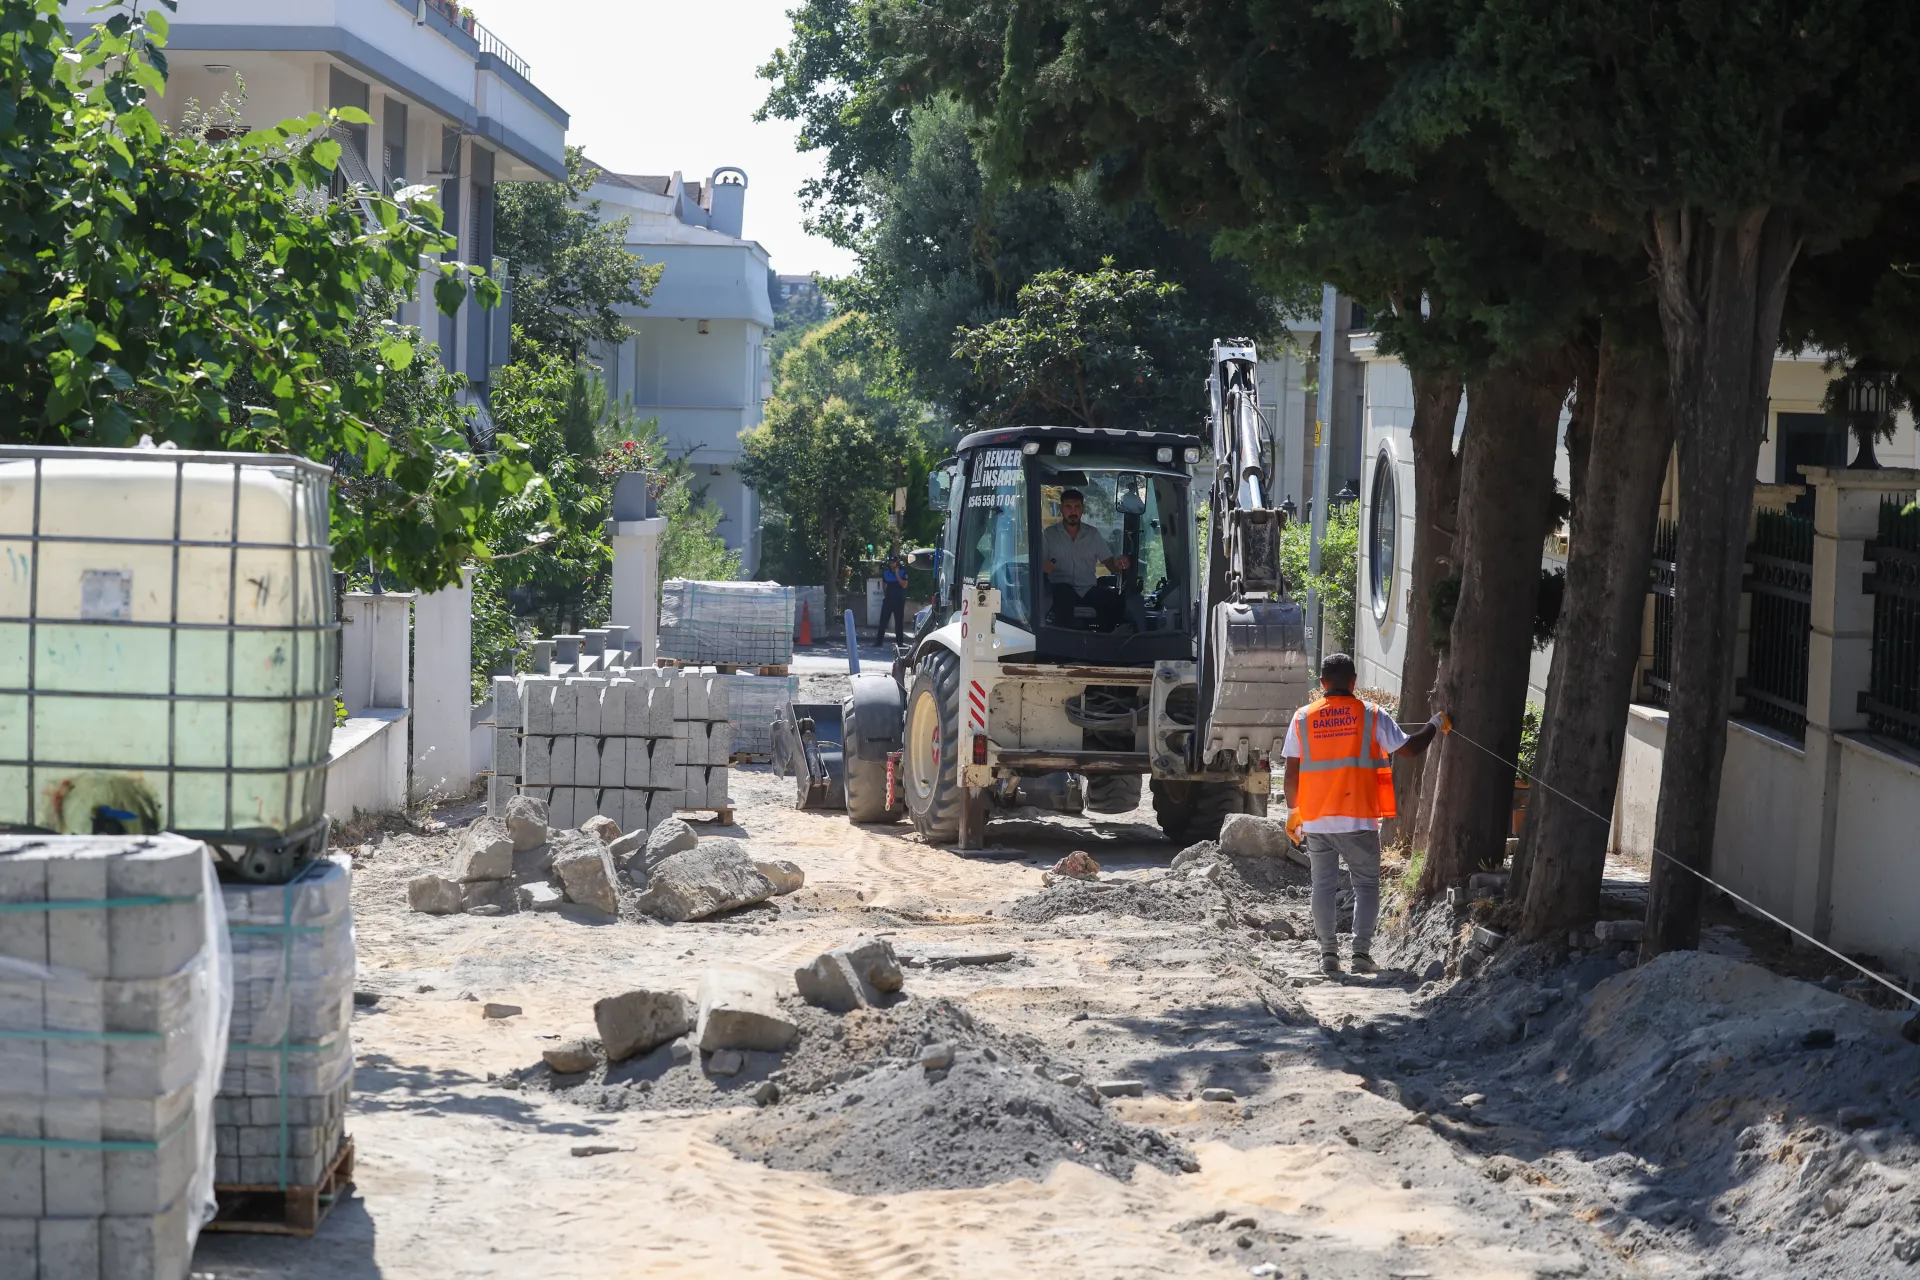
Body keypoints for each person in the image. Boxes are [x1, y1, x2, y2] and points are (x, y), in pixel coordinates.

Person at [1281, 653, 1448, 976]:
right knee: (1367, 886)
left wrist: (1293, 811)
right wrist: (1435, 724)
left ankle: (1328, 954)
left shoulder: (1302, 718)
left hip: (1317, 819)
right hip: (1358, 817)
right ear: (1354, 682)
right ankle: (1360, 954)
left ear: (1322, 684)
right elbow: (1410, 749)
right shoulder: (1371, 715)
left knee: (1323, 886)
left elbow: (1291, 772)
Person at [1041, 488, 1130, 627]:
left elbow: (1110, 564)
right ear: (1061, 509)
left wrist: (1118, 564)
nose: (1073, 511)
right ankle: (1065, 640)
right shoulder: (1049, 535)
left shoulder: (1093, 534)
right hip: (1060, 590)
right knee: (1064, 593)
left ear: (1082, 509)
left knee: (1114, 599)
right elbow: (1039, 568)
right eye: (1068, 507)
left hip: (1087, 590)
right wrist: (1044, 568)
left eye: (1077, 507)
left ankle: (1107, 641)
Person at [874, 552, 909, 646]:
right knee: (883, 621)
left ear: (897, 563)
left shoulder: (903, 571)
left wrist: (897, 574)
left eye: (894, 563)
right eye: (891, 563)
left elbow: (904, 585)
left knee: (899, 622)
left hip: (899, 600)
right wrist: (886, 594)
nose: (892, 564)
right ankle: (878, 642)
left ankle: (900, 642)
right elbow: (884, 585)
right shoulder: (886, 572)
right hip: (888, 600)